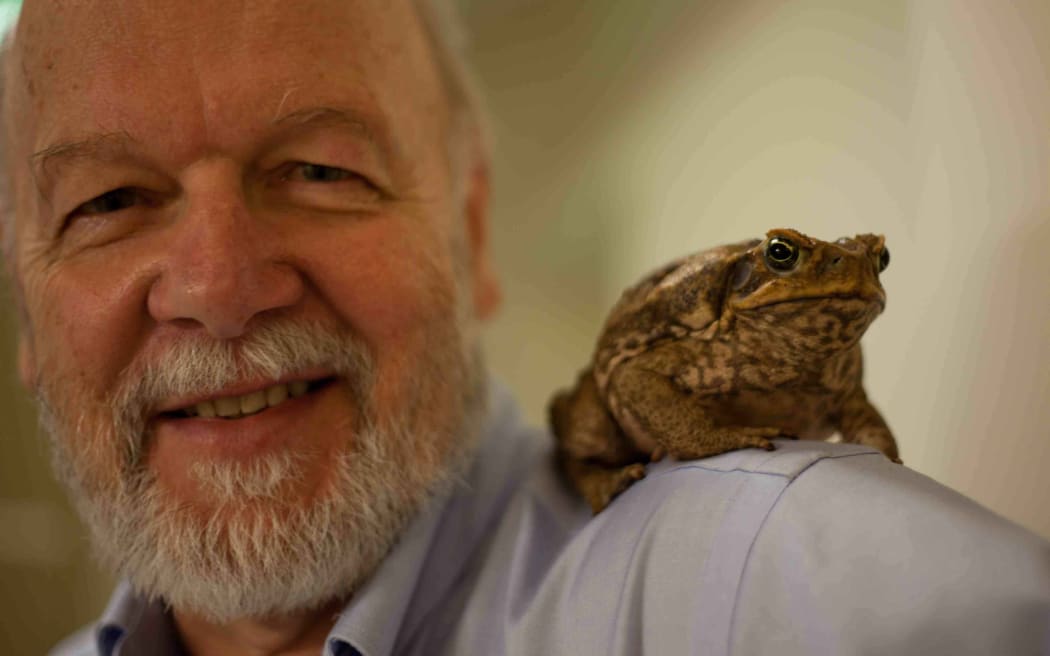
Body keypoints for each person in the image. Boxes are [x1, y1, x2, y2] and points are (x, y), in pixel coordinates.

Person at [0, 0, 1046, 654]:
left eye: (323, 171)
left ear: (471, 231)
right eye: (106, 203)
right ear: (28, 322)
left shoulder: (773, 564)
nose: (219, 287)